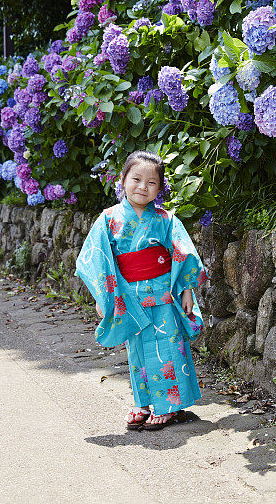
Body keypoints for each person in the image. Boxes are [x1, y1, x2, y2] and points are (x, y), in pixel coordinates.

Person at [75, 150, 208, 430]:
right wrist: (104, 298)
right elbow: (95, 258)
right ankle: (143, 403)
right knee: (138, 352)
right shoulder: (108, 219)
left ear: (160, 188)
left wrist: (186, 291)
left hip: (163, 294)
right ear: (122, 179)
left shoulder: (166, 219)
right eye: (136, 179)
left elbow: (183, 253)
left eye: (151, 183)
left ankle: (169, 406)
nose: (142, 187)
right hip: (129, 297)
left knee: (168, 348)